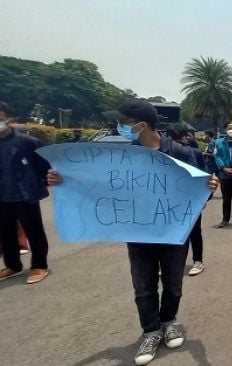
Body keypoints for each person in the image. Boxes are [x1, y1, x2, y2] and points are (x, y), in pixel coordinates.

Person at [47, 100, 219, 365]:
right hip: (138, 233)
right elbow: (99, 185)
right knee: (143, 288)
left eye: (124, 122)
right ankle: (150, 331)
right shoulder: (121, 158)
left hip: (173, 232)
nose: (120, 127)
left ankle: (169, 321)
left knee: (173, 286)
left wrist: (209, 186)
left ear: (142, 124)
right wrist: (63, 179)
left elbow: (200, 193)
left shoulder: (183, 152)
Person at [0, 102, 52, 284]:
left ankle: (39, 265)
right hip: (2, 197)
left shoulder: (27, 142)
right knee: (5, 234)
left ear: (9, 120)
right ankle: (13, 265)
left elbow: (46, 164)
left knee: (34, 231)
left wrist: (44, 181)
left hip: (25, 195)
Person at [167, 125, 207, 276]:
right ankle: (172, 262)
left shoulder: (194, 152)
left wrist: (203, 198)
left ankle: (198, 260)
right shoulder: (163, 153)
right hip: (171, 199)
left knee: (194, 231)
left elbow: (203, 175)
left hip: (191, 199)